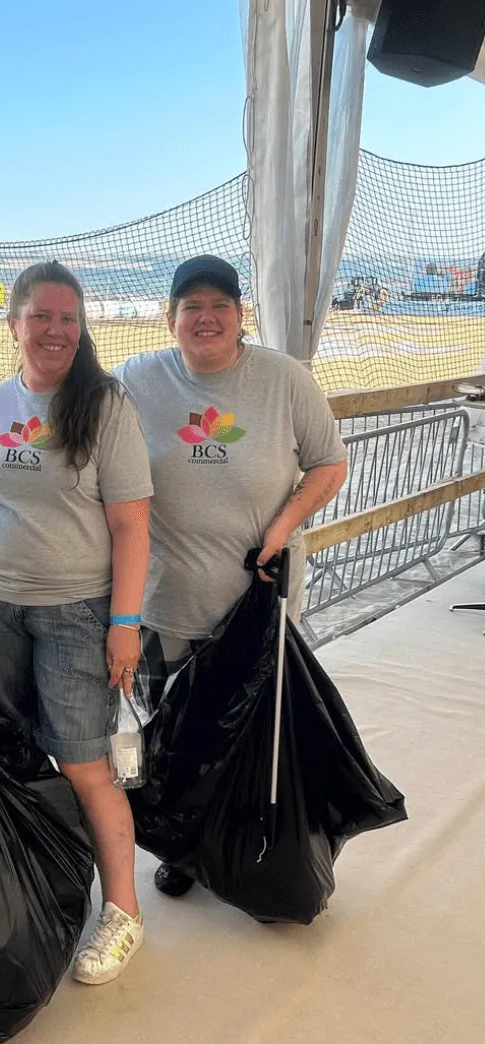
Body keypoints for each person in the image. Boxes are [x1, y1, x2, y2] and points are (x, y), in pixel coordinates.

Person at [0, 261, 153, 985]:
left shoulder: (106, 405)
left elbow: (131, 524)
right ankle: (19, 895)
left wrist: (124, 623)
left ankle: (122, 912)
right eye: (41, 316)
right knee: (1, 752)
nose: (55, 330)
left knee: (86, 761)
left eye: (68, 318)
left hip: (76, 613)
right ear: (14, 324)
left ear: (81, 327)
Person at [116, 254, 348, 897]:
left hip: (258, 598)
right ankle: (183, 851)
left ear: (241, 314)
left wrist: (282, 526)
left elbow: (329, 464)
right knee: (172, 736)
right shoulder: (136, 378)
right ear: (170, 318)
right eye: (191, 306)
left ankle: (252, 849)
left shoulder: (285, 379)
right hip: (165, 601)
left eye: (220, 305)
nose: (206, 317)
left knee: (251, 734)